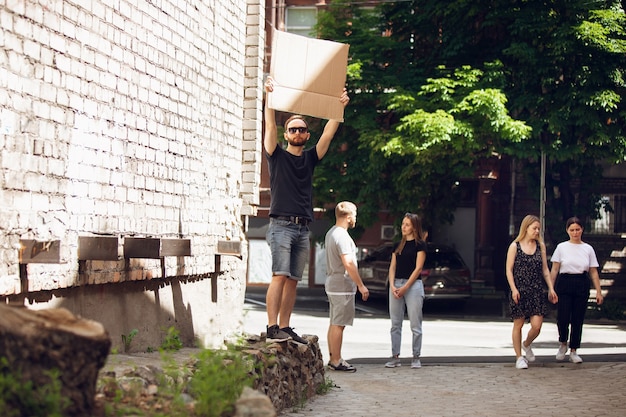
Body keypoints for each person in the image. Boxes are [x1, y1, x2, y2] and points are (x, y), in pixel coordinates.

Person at [263, 76, 350, 344]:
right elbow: (269, 124)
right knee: (279, 275)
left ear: (306, 135)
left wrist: (339, 107)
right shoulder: (275, 155)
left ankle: (285, 327)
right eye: (292, 129)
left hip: (302, 228)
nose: (297, 133)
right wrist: (269, 98)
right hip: (280, 225)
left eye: (301, 129)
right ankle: (271, 328)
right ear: (286, 134)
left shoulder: (311, 158)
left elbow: (329, 133)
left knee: (292, 280)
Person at [505, 215, 557, 369]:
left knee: (537, 326)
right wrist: (514, 289)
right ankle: (519, 357)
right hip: (519, 289)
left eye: (538, 229)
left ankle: (526, 344)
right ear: (526, 228)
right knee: (518, 324)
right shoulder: (515, 246)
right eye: (534, 228)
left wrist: (551, 288)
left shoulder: (540, 246)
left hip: (536, 290)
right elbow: (508, 270)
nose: (536, 231)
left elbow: (545, 270)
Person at [550, 216, 604, 363]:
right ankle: (563, 343)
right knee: (563, 317)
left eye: (577, 229)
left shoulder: (588, 248)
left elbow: (593, 271)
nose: (575, 233)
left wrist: (598, 291)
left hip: (581, 282)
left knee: (577, 318)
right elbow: (554, 269)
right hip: (565, 281)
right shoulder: (561, 247)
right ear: (567, 231)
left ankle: (574, 349)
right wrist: (551, 288)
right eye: (572, 230)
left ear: (582, 230)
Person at [324, 201, 370, 372]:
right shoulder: (342, 236)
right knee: (339, 323)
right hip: (341, 285)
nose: (355, 218)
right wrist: (361, 285)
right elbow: (348, 262)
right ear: (348, 217)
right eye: (355, 214)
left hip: (333, 282)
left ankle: (333, 358)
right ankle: (336, 360)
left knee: (334, 322)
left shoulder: (331, 233)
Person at [385, 213, 427, 369]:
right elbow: (392, 267)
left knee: (415, 324)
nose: (404, 227)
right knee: (395, 324)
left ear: (414, 227)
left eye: (407, 224)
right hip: (396, 285)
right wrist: (393, 285)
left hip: (413, 285)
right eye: (403, 224)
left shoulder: (420, 245)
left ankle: (416, 356)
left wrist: (405, 287)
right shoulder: (397, 244)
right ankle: (395, 356)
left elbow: (418, 268)